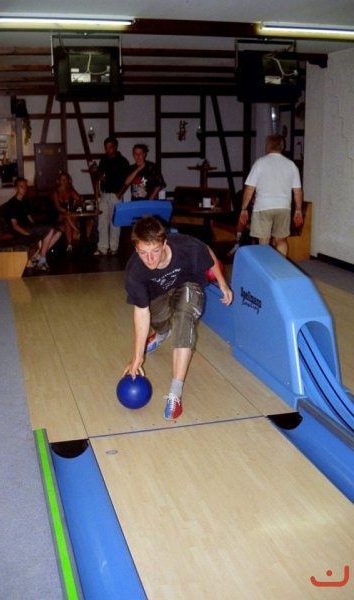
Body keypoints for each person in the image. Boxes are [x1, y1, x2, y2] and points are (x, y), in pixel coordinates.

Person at [123, 216, 233, 420]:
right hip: (158, 295)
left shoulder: (186, 247)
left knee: (184, 319)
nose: (150, 259)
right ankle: (162, 333)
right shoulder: (135, 271)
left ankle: (175, 393)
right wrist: (137, 356)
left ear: (164, 243)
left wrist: (223, 283)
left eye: (155, 251)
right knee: (158, 318)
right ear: (136, 249)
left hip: (188, 284)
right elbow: (141, 312)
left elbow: (207, 251)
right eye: (143, 253)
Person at [238, 134, 303, 256]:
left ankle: (266, 266)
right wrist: (298, 210)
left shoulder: (260, 163)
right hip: (283, 207)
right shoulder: (291, 165)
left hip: (263, 207)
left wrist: (244, 208)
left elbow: (249, 189)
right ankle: (280, 265)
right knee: (281, 240)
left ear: (267, 146)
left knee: (264, 241)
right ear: (282, 147)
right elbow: (297, 190)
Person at [5, 177, 62, 271]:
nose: (24, 189)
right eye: (21, 186)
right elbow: (14, 225)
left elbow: (30, 218)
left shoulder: (25, 201)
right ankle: (42, 260)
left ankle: (38, 257)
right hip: (20, 229)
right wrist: (27, 234)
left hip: (29, 226)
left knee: (58, 232)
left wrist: (38, 227)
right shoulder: (11, 204)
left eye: (25, 187)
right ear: (16, 188)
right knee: (49, 229)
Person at [94, 137, 130, 256]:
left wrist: (120, 193)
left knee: (115, 222)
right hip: (104, 193)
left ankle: (114, 247)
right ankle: (102, 248)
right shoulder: (104, 159)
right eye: (106, 147)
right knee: (102, 222)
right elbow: (99, 174)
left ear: (115, 147)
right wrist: (99, 176)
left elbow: (127, 180)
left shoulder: (123, 161)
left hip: (116, 194)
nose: (107, 150)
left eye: (110, 147)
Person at [51, 172, 83, 253]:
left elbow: (79, 199)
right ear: (58, 180)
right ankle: (77, 230)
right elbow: (58, 207)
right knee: (67, 215)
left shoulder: (70, 190)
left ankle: (69, 245)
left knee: (67, 222)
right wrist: (68, 212)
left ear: (68, 180)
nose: (64, 181)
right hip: (59, 214)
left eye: (65, 179)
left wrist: (77, 202)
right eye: (62, 179)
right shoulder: (56, 192)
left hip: (69, 215)